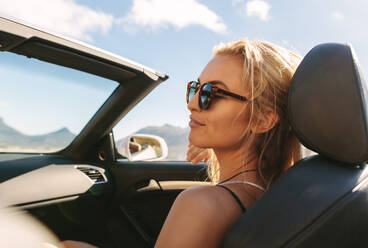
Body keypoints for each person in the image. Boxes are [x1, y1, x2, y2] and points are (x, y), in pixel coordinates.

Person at [62, 38, 302, 248]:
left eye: (212, 93)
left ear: (263, 119)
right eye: (195, 88)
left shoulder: (202, 204)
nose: (193, 103)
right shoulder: (278, 193)